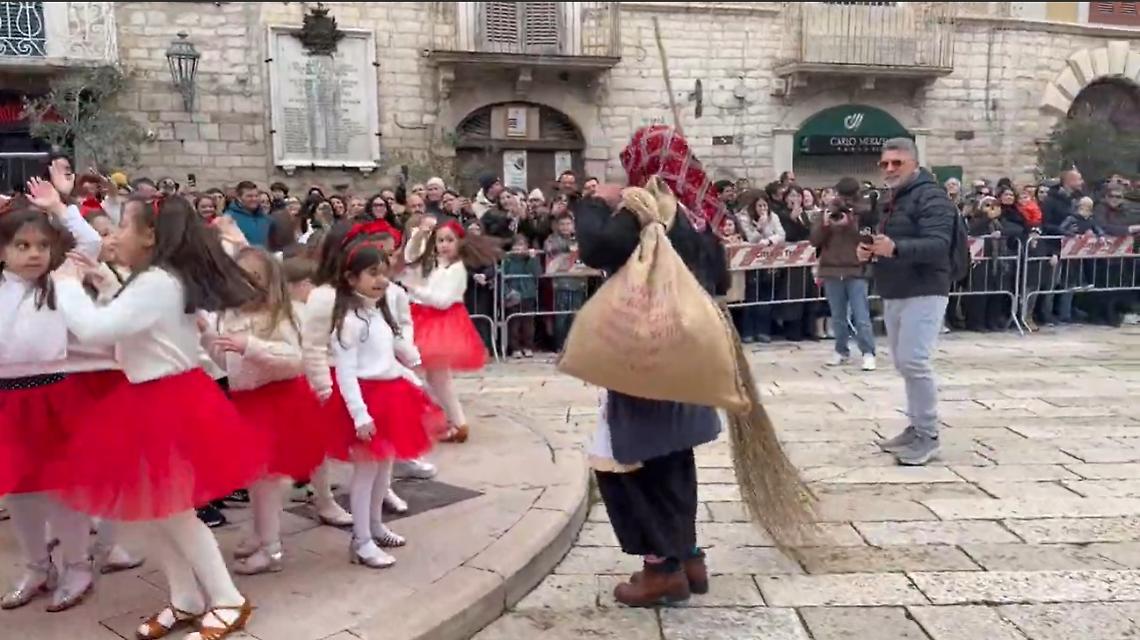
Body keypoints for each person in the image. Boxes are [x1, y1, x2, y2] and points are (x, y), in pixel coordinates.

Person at [50, 194, 263, 640]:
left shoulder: (157, 281)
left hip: (165, 400)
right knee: (158, 510)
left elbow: (96, 329)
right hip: (156, 397)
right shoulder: (156, 279)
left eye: (122, 226)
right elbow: (137, 325)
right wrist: (104, 283)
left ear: (150, 235)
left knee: (176, 512)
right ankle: (185, 597)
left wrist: (66, 284)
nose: (114, 236)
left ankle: (228, 599)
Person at [576, 125, 729, 607]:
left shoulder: (648, 203)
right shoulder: (699, 211)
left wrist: (594, 202)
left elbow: (596, 248)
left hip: (646, 353)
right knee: (674, 455)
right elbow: (722, 279)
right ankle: (688, 557)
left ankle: (660, 568)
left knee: (629, 461)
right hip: (688, 353)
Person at [0, 172, 110, 612]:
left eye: (42, 246)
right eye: (22, 246)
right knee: (19, 489)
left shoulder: (60, 281)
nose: (34, 254)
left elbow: (91, 244)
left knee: (64, 487)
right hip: (7, 399)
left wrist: (60, 207)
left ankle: (78, 565)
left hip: (53, 396)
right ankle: (36, 566)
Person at [201, 247, 328, 576]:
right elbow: (226, 363)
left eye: (255, 277)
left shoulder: (281, 315)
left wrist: (251, 346)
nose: (247, 283)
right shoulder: (229, 315)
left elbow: (294, 359)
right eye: (240, 276)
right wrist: (209, 337)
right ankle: (260, 534)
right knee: (255, 479)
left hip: (277, 403)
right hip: (247, 404)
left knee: (267, 480)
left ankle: (271, 548)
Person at [326, 242, 443, 567]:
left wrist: (411, 373)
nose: (381, 280)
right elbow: (346, 373)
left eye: (383, 273)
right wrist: (360, 415)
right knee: (366, 473)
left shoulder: (378, 312)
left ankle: (376, 526)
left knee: (382, 471)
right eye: (372, 273)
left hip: (390, 396)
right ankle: (361, 540)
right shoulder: (349, 322)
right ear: (351, 278)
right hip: (368, 401)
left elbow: (388, 355)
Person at [862, 138, 955, 467]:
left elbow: (938, 244)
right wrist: (872, 251)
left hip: (925, 288)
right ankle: (916, 427)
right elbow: (893, 239)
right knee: (904, 363)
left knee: (915, 361)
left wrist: (896, 248)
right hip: (896, 288)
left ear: (914, 163)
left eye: (896, 163)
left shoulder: (931, 197)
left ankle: (928, 435)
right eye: (884, 163)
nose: (889, 169)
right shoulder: (894, 198)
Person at [401, 219, 497, 443]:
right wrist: (420, 234)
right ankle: (451, 421)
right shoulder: (438, 264)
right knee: (435, 379)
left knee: (433, 378)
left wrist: (415, 290)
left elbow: (442, 301)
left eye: (449, 240)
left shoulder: (456, 269)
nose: (444, 245)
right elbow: (411, 256)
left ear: (460, 243)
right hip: (428, 320)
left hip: (440, 323)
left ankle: (451, 422)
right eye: (440, 240)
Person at [299, 222, 362, 528]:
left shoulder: (361, 290)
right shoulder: (323, 296)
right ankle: (324, 499)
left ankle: (374, 491)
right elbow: (312, 346)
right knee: (320, 444)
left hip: (359, 373)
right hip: (331, 375)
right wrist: (324, 387)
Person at [811, 178, 876, 370]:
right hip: (831, 269)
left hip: (855, 269)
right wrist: (825, 224)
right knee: (837, 315)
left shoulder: (863, 212)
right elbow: (814, 241)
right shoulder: (827, 211)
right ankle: (841, 350)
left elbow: (867, 238)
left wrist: (850, 223)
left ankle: (868, 352)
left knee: (861, 314)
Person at [544, 212, 587, 348]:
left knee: (576, 316)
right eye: (562, 224)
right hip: (561, 283)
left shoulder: (580, 238)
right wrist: (568, 248)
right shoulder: (552, 239)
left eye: (568, 224)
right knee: (561, 316)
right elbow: (548, 249)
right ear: (557, 226)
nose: (565, 227)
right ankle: (559, 345)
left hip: (579, 282)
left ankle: (574, 345)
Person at [501, 234, 540, 358]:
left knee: (528, 323)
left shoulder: (530, 259)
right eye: (516, 245)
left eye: (522, 245)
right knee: (514, 323)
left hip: (528, 294)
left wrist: (532, 259)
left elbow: (537, 273)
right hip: (513, 294)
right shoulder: (507, 260)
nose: (518, 248)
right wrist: (507, 292)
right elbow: (502, 277)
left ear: (526, 247)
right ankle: (515, 348)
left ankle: (528, 346)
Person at [225, 181, 271, 247]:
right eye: (249, 196)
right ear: (239, 198)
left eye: (256, 196)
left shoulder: (264, 217)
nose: (254, 199)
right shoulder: (229, 218)